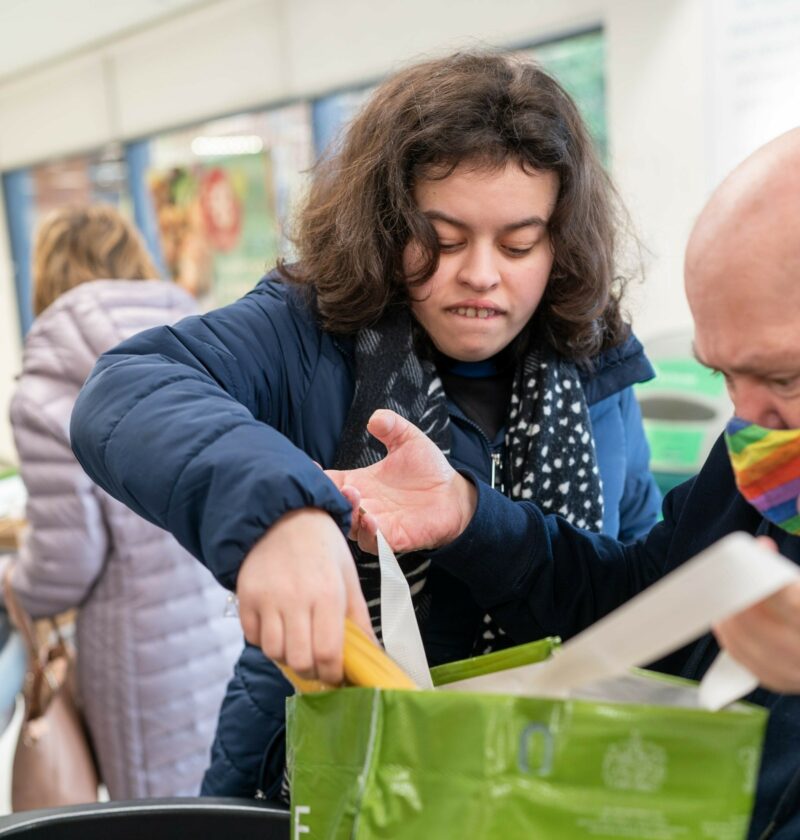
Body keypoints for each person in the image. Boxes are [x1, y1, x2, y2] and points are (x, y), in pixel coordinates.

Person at [69, 53, 660, 799]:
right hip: (324, 777)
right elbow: (129, 389)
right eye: (442, 238)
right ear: (387, 222)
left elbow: (632, 573)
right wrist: (284, 513)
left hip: (545, 783)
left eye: (517, 244)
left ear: (560, 242)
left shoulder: (597, 367)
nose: (481, 273)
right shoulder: (311, 333)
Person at [326, 128, 800, 840]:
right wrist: (467, 516)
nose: (747, 414)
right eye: (722, 374)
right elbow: (643, 603)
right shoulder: (760, 452)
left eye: (784, 377)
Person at [0, 206, 242, 800]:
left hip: (140, 656)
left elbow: (68, 560)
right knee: (236, 799)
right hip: (229, 625)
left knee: (162, 819)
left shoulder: (51, 381)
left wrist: (13, 582)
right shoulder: (199, 339)